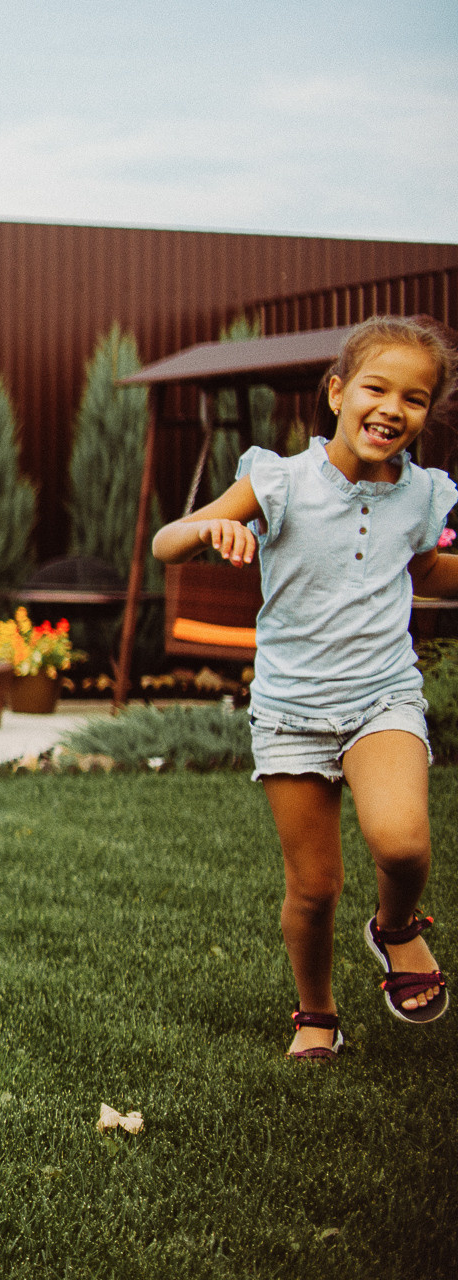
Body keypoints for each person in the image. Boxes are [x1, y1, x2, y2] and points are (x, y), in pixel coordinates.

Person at [153, 316, 457, 1059]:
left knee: (403, 844)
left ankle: (395, 926)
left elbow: (422, 569)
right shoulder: (280, 480)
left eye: (414, 398)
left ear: (428, 413)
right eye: (376, 389)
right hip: (292, 710)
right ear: (337, 392)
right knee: (314, 888)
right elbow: (167, 542)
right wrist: (212, 531)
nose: (392, 409)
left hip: (382, 694)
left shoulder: (421, 495)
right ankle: (317, 1012)